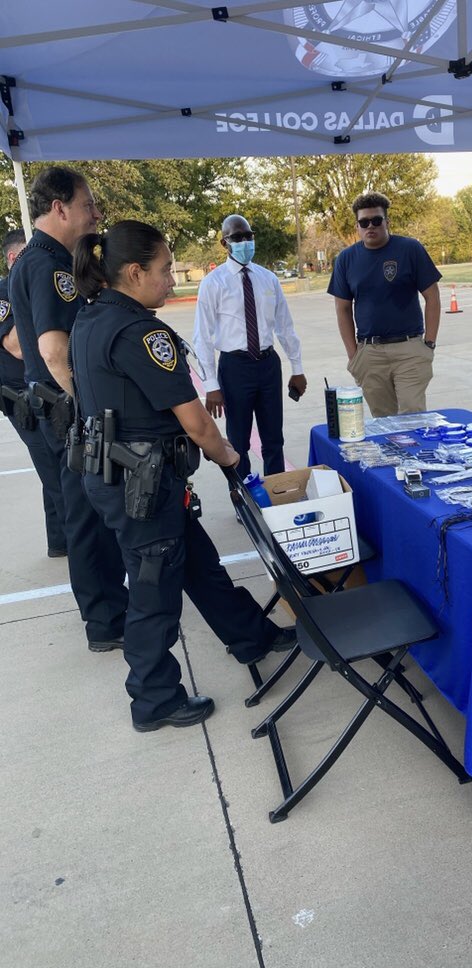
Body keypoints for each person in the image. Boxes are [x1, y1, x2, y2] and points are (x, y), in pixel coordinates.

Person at [71, 220, 296, 732]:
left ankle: (251, 637)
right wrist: (231, 458)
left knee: (198, 563)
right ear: (133, 272)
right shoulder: (141, 333)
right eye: (166, 269)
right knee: (153, 593)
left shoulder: (92, 318)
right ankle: (154, 699)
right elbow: (196, 422)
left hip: (129, 480)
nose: (173, 280)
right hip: (141, 487)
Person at [8, 166, 128, 651]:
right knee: (88, 515)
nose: (94, 215)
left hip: (55, 406)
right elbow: (55, 350)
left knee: (86, 512)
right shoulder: (49, 264)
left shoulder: (39, 260)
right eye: (87, 206)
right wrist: (89, 412)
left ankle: (106, 612)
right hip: (67, 409)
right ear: (59, 209)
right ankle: (104, 620)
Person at [193, 214, 306, 481]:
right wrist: (211, 384)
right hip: (235, 368)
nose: (245, 242)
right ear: (225, 243)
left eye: (249, 236)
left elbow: (285, 327)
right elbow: (202, 337)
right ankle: (244, 499)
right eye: (238, 238)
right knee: (239, 442)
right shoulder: (213, 283)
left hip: (268, 365)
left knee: (273, 439)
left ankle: (276, 491)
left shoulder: (268, 279)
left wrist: (297, 368)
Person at [328, 191, 441, 417]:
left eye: (377, 220)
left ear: (387, 222)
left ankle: (418, 455)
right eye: (364, 222)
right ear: (357, 227)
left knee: (413, 416)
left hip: (409, 349)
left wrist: (428, 344)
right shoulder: (346, 259)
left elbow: (433, 297)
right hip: (370, 353)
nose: (371, 226)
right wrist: (354, 355)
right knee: (384, 421)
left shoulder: (410, 249)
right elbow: (342, 310)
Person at [0, 229, 67, 557]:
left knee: (52, 464)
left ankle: (60, 541)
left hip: (40, 395)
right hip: (20, 399)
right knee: (55, 471)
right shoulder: (4, 292)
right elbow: (15, 347)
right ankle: (76, 541)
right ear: (14, 259)